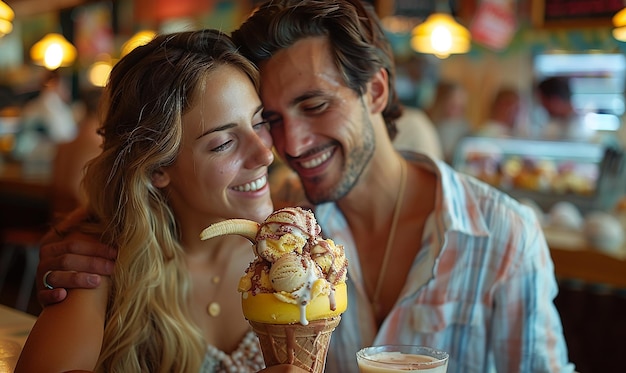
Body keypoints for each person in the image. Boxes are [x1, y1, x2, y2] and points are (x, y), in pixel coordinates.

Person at [36, 1, 575, 372]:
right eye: (271, 116)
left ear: (377, 90)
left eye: (314, 105)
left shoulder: (504, 237)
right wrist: (90, 247)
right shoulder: (285, 222)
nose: (282, 146)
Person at [16, 30, 305, 373]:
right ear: (157, 169)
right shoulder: (99, 260)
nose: (264, 154)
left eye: (259, 122)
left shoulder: (300, 242)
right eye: (223, 143)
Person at [50, 88, 103, 217]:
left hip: (57, 223)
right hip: (79, 226)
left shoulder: (65, 144)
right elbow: (83, 201)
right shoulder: (99, 145)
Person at [535, 76, 595, 141]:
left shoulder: (580, 131)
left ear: (555, 100)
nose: (543, 107)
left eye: (544, 103)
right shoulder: (553, 125)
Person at [424, 81, 471, 163]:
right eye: (453, 105)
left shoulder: (465, 127)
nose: (458, 102)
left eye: (460, 107)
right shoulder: (426, 123)